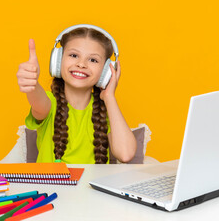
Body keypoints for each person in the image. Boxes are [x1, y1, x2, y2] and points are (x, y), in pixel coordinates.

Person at [16, 25, 136, 164]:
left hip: (92, 187)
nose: (81, 64)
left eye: (93, 60)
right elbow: (38, 101)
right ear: (57, 60)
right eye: (74, 55)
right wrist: (32, 83)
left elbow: (126, 154)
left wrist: (109, 97)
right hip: (51, 187)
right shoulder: (50, 103)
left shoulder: (106, 111)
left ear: (106, 71)